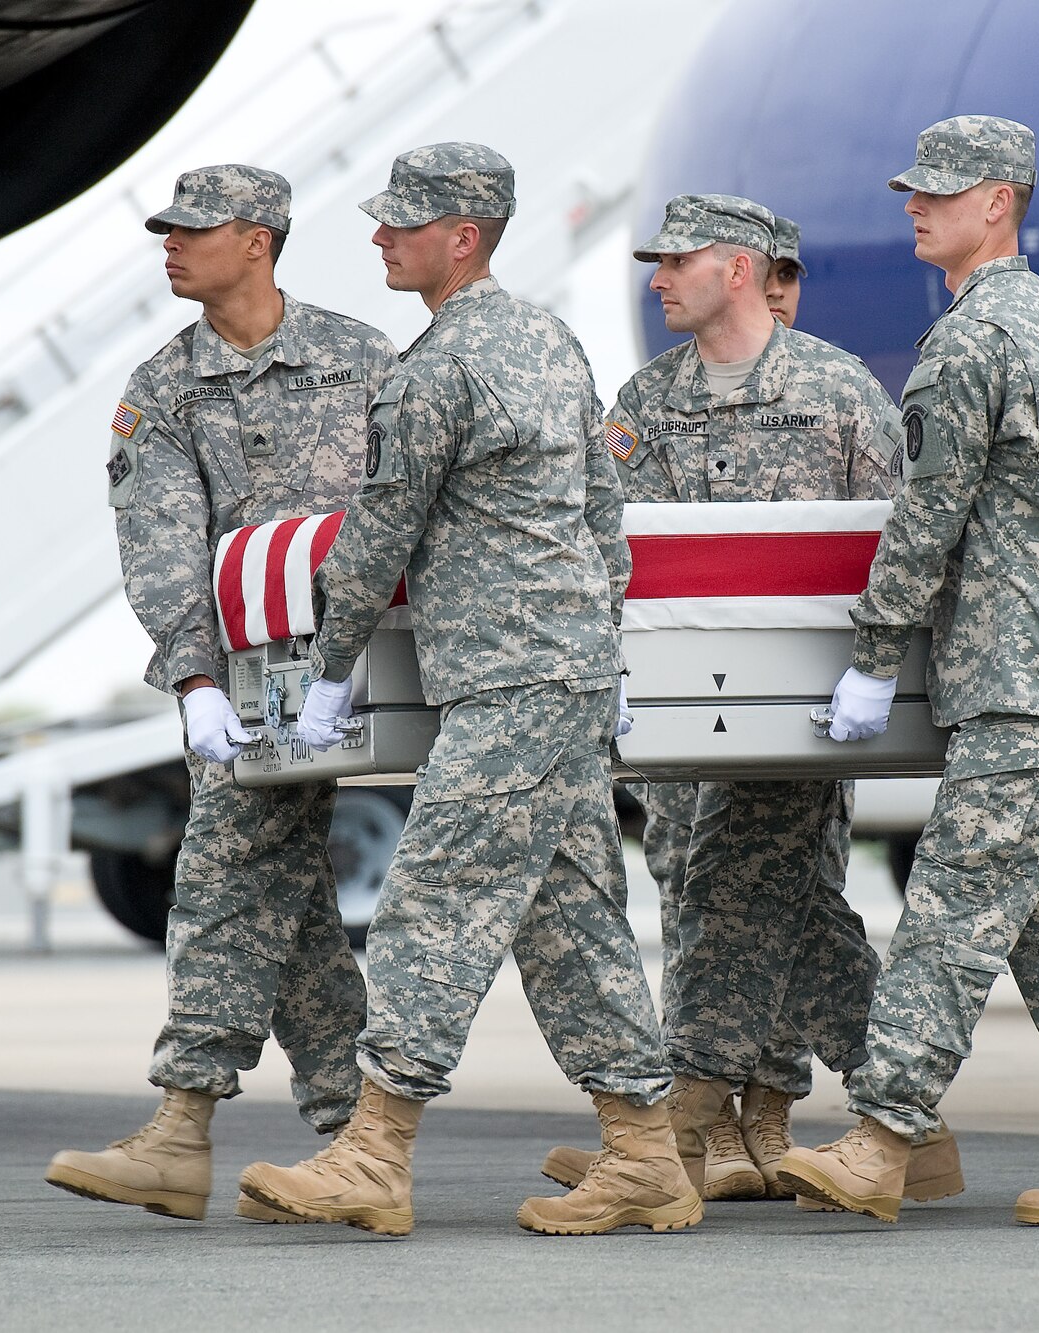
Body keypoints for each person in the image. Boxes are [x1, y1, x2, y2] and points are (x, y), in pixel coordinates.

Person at [235, 143, 700, 1238]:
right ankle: (643, 1151)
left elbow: (379, 531)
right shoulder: (547, 341)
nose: (379, 235)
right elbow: (602, 515)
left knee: (434, 900)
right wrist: (597, 650)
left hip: (506, 678)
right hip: (562, 669)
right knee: (569, 916)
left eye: (403, 222)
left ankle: (373, 1148)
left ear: (463, 236)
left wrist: (330, 663)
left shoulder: (437, 367)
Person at [779, 115, 1039, 1228]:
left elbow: (929, 517)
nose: (914, 205)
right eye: (912, 190)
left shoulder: (971, 342)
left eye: (940, 192)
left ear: (998, 201)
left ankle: (878, 1139)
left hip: (1024, 668)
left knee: (955, 904)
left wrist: (874, 649)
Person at [46, 165, 393, 1225]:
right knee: (263, 884)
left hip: (368, 666)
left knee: (236, 874)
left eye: (195, 230)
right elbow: (158, 542)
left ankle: (191, 1130)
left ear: (259, 241)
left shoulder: (363, 358)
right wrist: (194, 678)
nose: (171, 244)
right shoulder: (164, 386)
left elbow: (413, 499)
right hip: (242, 683)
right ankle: (342, 1135)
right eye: (168, 230)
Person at [540, 195, 896, 1203]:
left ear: (736, 270)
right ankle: (744, 1129)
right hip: (678, 709)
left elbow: (886, 539)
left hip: (802, 706)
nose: (655, 277)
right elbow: (606, 542)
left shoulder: (835, 390)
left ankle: (754, 1120)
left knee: (776, 898)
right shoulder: (644, 401)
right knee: (697, 888)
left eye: (675, 261)